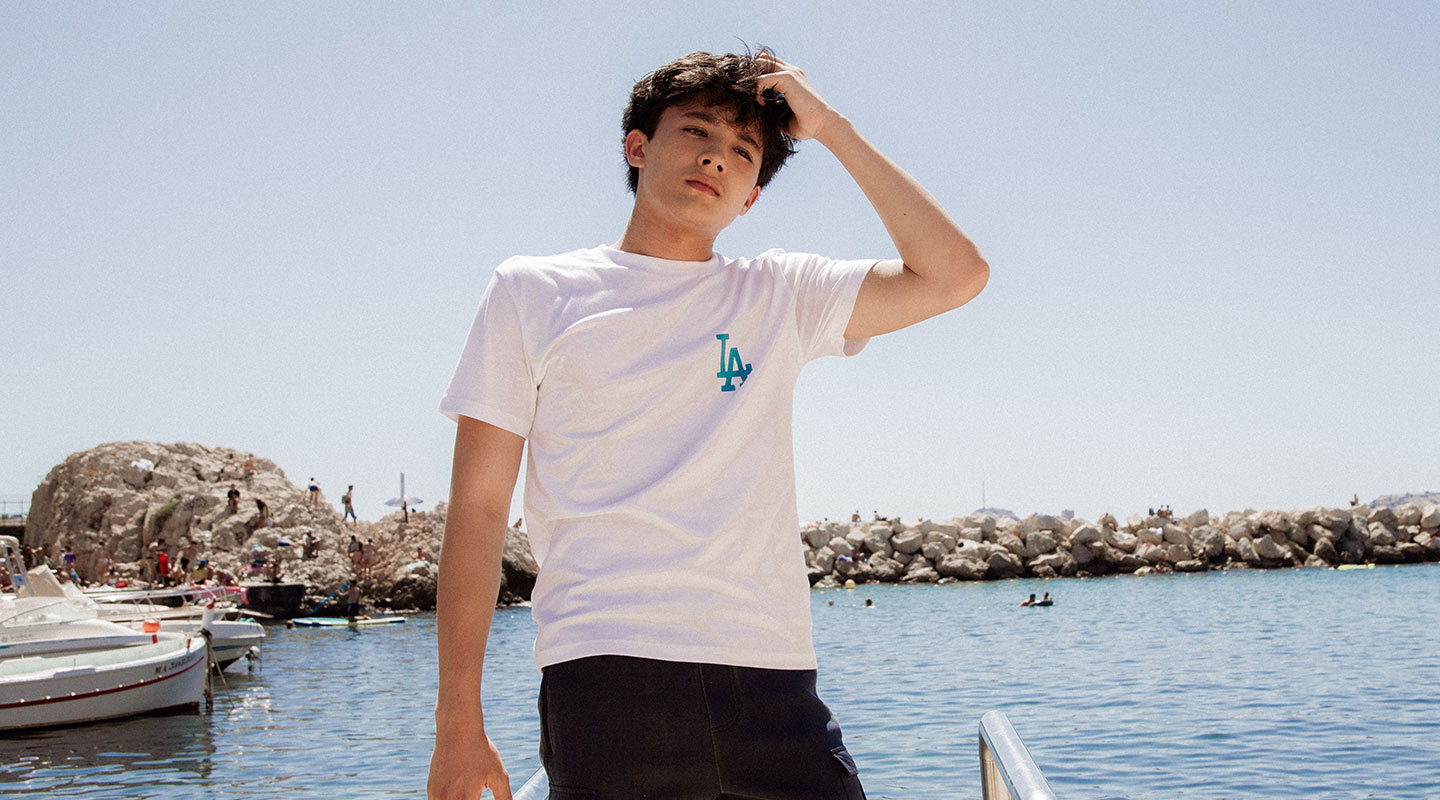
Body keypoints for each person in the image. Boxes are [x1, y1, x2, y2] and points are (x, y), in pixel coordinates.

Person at [428, 49, 988, 800]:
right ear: (637, 146)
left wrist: (832, 128)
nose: (717, 157)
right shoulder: (532, 291)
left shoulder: (780, 293)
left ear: (751, 198)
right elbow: (478, 509)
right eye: (696, 131)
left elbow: (957, 275)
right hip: (608, 676)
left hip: (773, 677)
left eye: (743, 151)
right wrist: (458, 725)